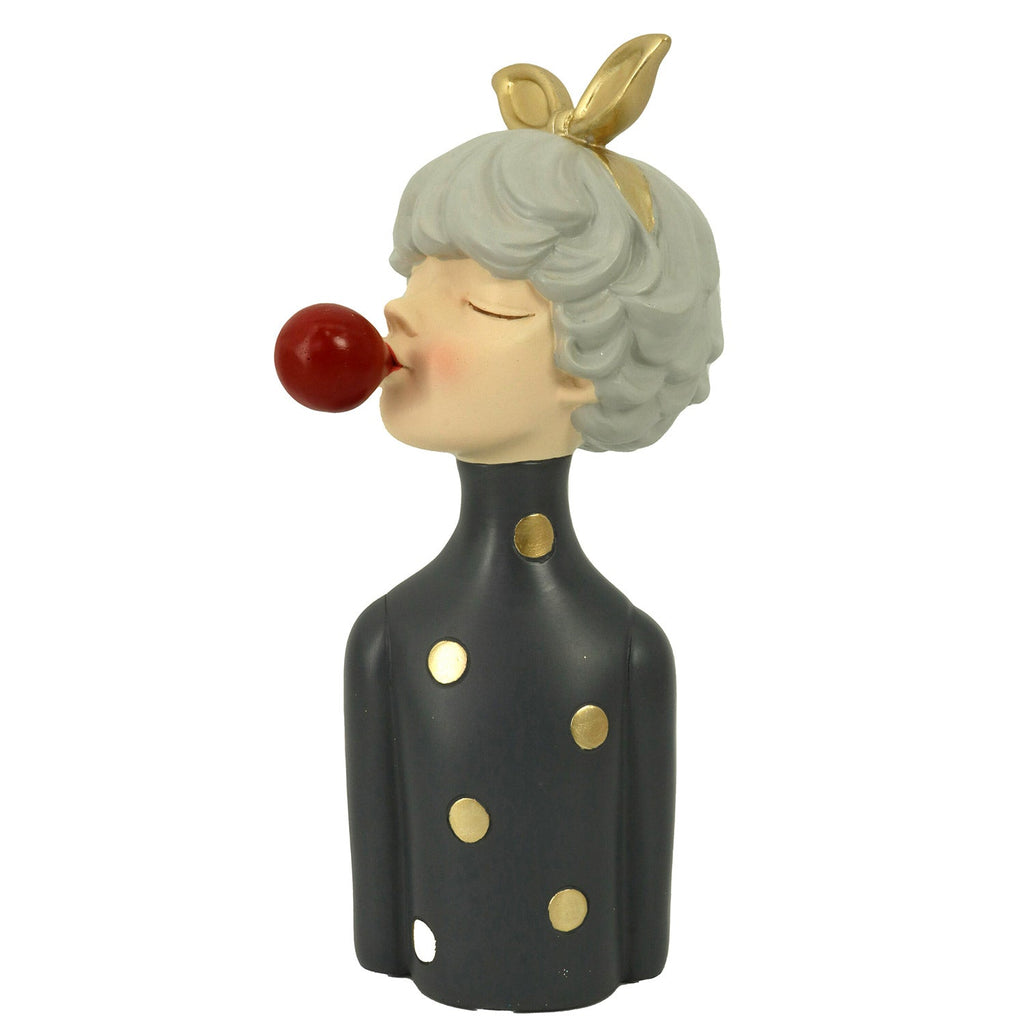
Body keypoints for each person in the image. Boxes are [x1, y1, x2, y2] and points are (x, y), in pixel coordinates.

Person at [344, 34, 722, 1010]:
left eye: (481, 305)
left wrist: (635, 953)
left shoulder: (625, 647)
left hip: (581, 974)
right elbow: (380, 916)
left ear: (588, 366)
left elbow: (641, 925)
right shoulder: (390, 636)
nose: (400, 316)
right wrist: (386, 946)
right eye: (413, 280)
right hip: (443, 970)